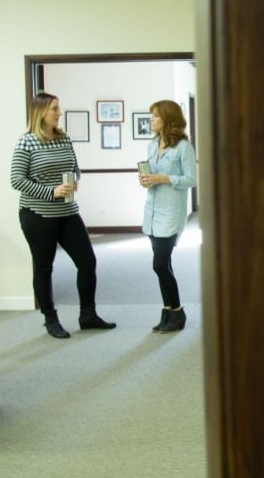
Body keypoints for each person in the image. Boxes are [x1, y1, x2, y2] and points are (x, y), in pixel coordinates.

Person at [10, 92, 115, 339]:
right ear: (41, 112)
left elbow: (75, 169)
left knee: (87, 262)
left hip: (67, 212)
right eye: (54, 109)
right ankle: (50, 319)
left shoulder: (64, 139)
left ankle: (87, 314)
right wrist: (52, 191)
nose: (59, 113)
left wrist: (73, 182)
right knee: (44, 268)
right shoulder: (26, 142)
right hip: (37, 214)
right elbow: (16, 179)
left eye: (59, 108)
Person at [139, 100, 197, 333]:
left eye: (155, 116)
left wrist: (165, 179)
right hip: (152, 211)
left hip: (171, 213)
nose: (151, 120)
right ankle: (169, 311)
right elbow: (150, 173)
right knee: (165, 265)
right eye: (150, 116)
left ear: (168, 118)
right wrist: (146, 179)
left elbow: (191, 180)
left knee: (159, 264)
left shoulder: (184, 147)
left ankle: (177, 312)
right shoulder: (152, 144)